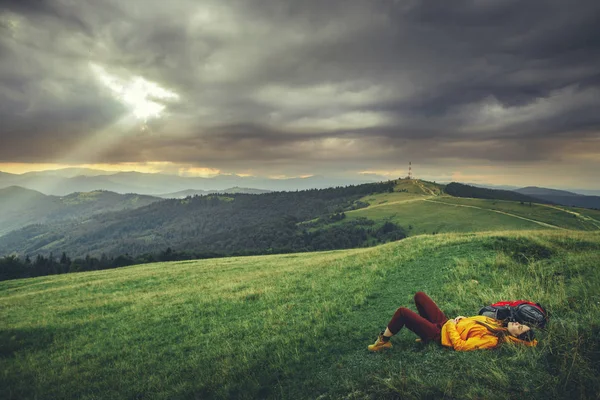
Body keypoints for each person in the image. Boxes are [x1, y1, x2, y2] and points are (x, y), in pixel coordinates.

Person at [368, 291, 537, 352]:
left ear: (517, 337)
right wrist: (463, 319)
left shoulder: (492, 340)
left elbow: (461, 346)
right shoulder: (499, 324)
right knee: (419, 296)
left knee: (402, 312)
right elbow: (475, 323)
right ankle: (424, 333)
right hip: (446, 324)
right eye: (519, 323)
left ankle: (384, 341)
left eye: (519, 327)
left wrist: (450, 325)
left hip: (441, 334)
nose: (516, 323)